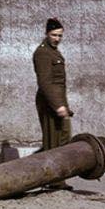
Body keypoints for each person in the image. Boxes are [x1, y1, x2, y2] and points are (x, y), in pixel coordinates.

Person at [33, 17, 72, 151]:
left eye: (60, 36)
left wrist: (62, 103)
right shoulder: (43, 52)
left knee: (63, 138)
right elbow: (45, 83)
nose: (57, 39)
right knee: (53, 143)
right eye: (54, 35)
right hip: (49, 102)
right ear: (47, 34)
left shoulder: (54, 52)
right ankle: (48, 171)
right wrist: (58, 106)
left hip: (58, 99)